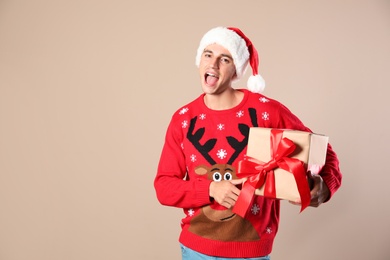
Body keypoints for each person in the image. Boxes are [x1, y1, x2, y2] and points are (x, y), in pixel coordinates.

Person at [154, 26, 342, 259]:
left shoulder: (266, 110)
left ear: (235, 70)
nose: (213, 64)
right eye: (208, 54)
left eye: (224, 59)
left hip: (253, 250)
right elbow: (164, 187)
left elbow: (324, 153)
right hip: (197, 250)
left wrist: (324, 187)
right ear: (199, 60)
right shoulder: (183, 119)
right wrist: (210, 189)